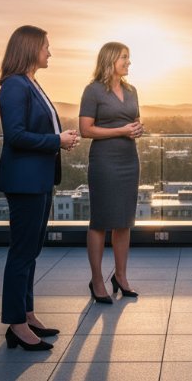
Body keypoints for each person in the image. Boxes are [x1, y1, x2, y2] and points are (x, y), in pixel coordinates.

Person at [0, 25, 80, 351]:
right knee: (22, 253)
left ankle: (26, 314)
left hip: (39, 179)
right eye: (46, 46)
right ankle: (16, 324)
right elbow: (15, 136)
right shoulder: (15, 87)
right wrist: (56, 140)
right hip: (24, 182)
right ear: (31, 48)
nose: (50, 51)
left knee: (31, 250)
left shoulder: (30, 83)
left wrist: (60, 139)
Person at [78, 42, 144, 303]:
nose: (129, 62)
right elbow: (86, 130)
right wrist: (122, 131)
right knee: (101, 221)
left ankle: (121, 276)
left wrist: (137, 129)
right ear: (110, 60)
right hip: (104, 161)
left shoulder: (132, 90)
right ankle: (96, 280)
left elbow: (133, 122)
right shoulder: (92, 91)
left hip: (130, 159)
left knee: (124, 221)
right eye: (124, 58)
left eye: (129, 57)